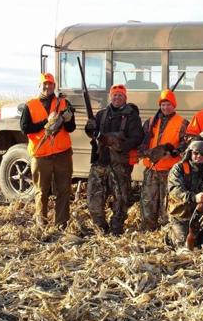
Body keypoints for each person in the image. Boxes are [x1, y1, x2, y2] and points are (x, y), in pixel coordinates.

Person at [84, 84, 144, 235]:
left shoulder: (132, 116)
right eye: (114, 95)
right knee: (94, 198)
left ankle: (116, 229)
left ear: (125, 98)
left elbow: (137, 138)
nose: (117, 97)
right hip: (100, 162)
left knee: (121, 199)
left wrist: (120, 145)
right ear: (110, 97)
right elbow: (92, 134)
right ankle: (101, 227)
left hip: (120, 165)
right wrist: (89, 127)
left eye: (120, 95)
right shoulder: (101, 114)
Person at [20, 73, 75, 228]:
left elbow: (71, 129)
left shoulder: (64, 103)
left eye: (50, 84)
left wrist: (68, 120)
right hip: (41, 155)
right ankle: (41, 224)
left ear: (54, 86)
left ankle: (61, 224)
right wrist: (47, 122)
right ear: (39, 85)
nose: (47, 87)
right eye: (44, 84)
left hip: (62, 154)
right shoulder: (30, 105)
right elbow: (24, 128)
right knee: (41, 191)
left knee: (64, 191)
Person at [139, 89, 189, 231]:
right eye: (163, 105)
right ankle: (148, 231)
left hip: (170, 171)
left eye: (168, 104)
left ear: (174, 105)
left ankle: (167, 232)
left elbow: (187, 143)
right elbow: (141, 143)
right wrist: (146, 153)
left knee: (168, 204)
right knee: (148, 203)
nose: (165, 107)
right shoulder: (150, 122)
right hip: (151, 170)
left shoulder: (183, 123)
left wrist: (173, 153)